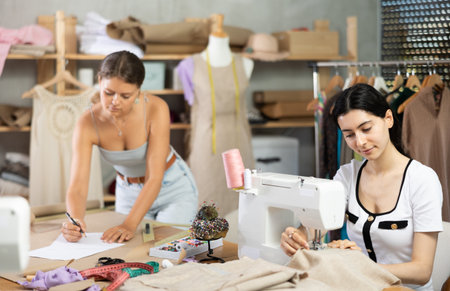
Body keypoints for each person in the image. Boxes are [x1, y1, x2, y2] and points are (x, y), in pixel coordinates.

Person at [280, 83, 443, 290]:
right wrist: (299, 237)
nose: (360, 142)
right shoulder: (347, 176)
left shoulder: (422, 180)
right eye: (349, 134)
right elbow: (316, 227)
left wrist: (358, 264)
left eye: (366, 129)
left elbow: (422, 271)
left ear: (388, 119)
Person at [61, 51, 198, 243]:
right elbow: (78, 185)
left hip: (172, 188)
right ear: (100, 81)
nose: (115, 101)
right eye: (108, 93)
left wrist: (129, 225)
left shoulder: (156, 108)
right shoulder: (87, 123)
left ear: (139, 90)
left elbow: (154, 177)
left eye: (125, 95)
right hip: (128, 192)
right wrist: (75, 219)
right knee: (125, 254)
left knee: (168, 249)